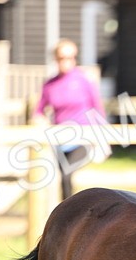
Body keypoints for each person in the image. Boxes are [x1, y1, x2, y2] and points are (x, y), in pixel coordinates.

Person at [34, 39, 109, 199]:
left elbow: (97, 108)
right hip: (60, 138)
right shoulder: (50, 85)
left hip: (83, 136)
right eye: (62, 58)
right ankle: (67, 214)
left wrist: (102, 137)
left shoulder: (83, 81)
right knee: (63, 177)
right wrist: (39, 121)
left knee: (68, 173)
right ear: (56, 59)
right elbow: (39, 110)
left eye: (70, 57)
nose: (66, 61)